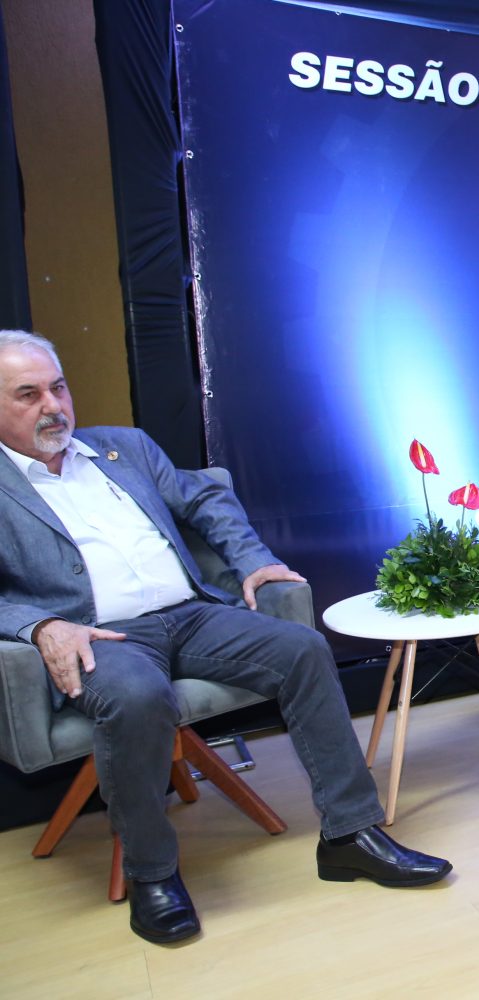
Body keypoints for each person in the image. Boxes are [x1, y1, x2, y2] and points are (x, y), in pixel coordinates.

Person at [0, 330, 450, 946]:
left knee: (302, 649)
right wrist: (41, 625)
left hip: (191, 613)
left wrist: (252, 560)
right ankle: (152, 875)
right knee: (137, 698)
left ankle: (351, 835)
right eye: (28, 395)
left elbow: (206, 496)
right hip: (102, 636)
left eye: (58, 387)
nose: (53, 405)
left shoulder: (122, 447)